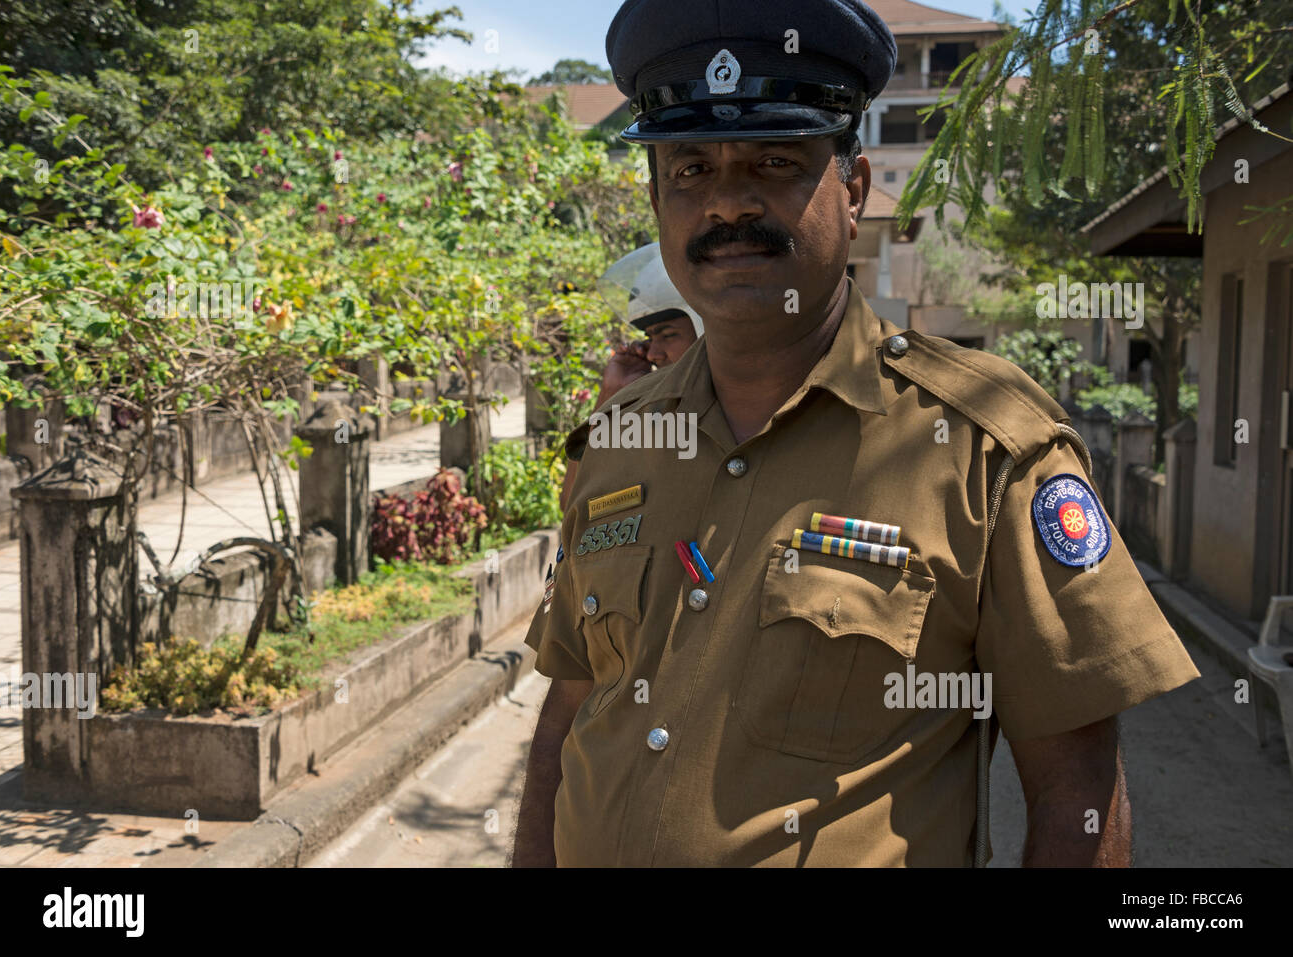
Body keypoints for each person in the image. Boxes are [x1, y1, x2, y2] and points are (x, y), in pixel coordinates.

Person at [513, 0, 1200, 868]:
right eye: (689, 167)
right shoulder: (620, 439)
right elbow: (571, 709)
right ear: (655, 198)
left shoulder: (989, 448)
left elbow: (1077, 792)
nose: (727, 200)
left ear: (854, 185)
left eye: (774, 160)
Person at [559, 244, 703, 511]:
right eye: (650, 338)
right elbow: (575, 506)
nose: (653, 354)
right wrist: (611, 396)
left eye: (668, 335)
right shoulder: (651, 415)